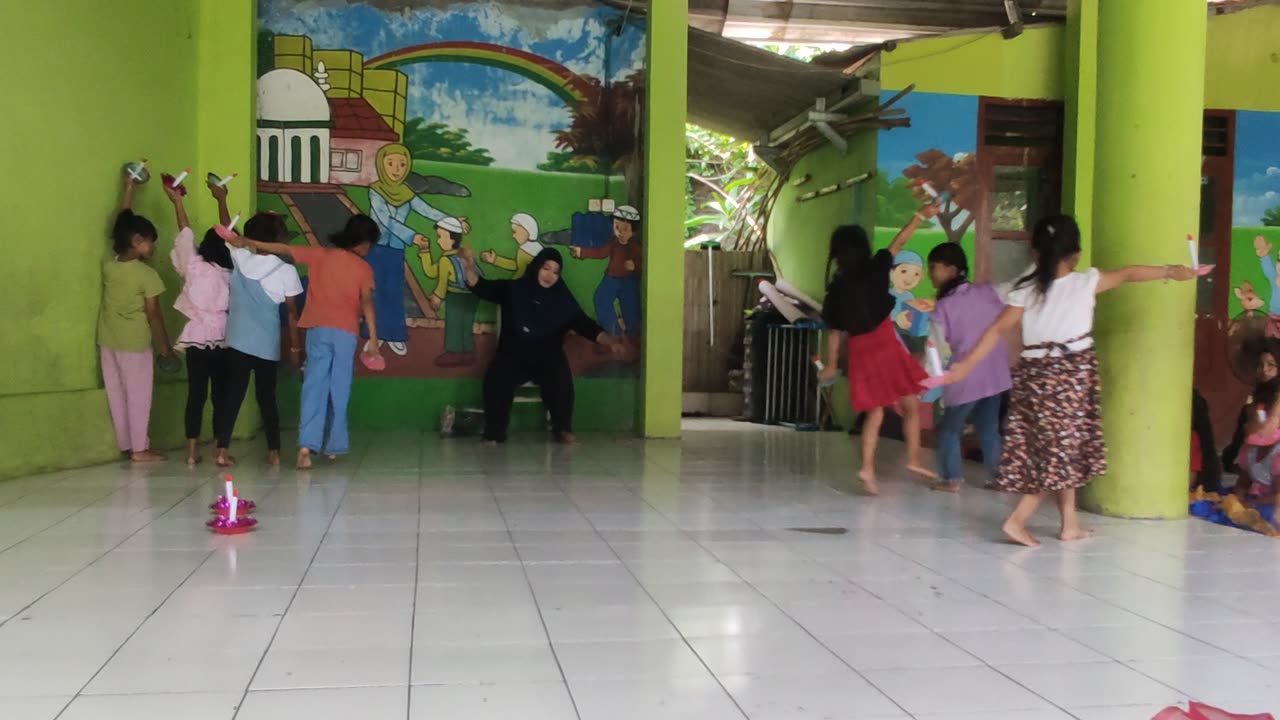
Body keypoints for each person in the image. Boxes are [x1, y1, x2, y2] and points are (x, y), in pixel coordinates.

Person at [939, 214, 1199, 547]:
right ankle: (1016, 521)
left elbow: (996, 330)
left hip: (1035, 376)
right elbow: (1129, 273)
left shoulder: (1026, 291)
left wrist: (965, 365)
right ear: (1075, 254)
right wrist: (1172, 271)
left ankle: (1069, 524)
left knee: (1061, 447)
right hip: (1070, 375)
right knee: (1060, 453)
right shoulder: (1084, 282)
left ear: (1035, 253)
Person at [223, 215, 381, 469]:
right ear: (363, 242)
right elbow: (367, 303)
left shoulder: (320, 255)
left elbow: (283, 249)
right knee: (339, 388)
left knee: (313, 386)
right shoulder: (363, 269)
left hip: (317, 331)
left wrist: (248, 242)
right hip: (345, 334)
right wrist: (373, 339)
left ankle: (306, 448)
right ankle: (333, 445)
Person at [817, 204, 940, 495]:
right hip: (885, 343)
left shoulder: (836, 289)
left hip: (861, 350)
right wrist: (920, 215)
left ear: (837, 254)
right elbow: (900, 241)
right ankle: (912, 459)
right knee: (910, 404)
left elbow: (834, 332)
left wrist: (831, 365)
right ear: (863, 247)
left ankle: (867, 468)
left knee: (875, 412)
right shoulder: (877, 266)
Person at [454, 246, 622, 444]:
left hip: (547, 358)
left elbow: (585, 325)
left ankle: (562, 429)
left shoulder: (562, 300)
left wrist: (611, 342)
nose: (550, 276)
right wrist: (469, 267)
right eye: (546, 268)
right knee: (497, 379)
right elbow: (481, 287)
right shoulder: (513, 289)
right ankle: (494, 432)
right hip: (512, 355)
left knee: (560, 380)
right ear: (536, 267)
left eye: (555, 272)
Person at [99, 172, 176, 463]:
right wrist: (165, 348)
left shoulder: (110, 265)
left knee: (116, 394)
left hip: (107, 339)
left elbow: (123, 221)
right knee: (139, 395)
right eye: (150, 242)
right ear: (137, 240)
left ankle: (126, 445)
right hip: (134, 343)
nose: (153, 248)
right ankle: (140, 449)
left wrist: (128, 186)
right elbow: (154, 315)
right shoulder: (147, 275)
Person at [926, 242, 1011, 493]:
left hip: (965, 375)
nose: (930, 274)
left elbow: (936, 348)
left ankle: (950, 478)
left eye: (934, 267)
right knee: (988, 427)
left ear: (951, 269)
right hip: (994, 373)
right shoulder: (988, 291)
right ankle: (999, 478)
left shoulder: (943, 307)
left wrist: (930, 378)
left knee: (949, 429)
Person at [221, 204, 303, 467]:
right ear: (279, 239)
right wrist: (295, 348)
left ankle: (221, 450)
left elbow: (227, 232)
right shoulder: (286, 271)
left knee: (233, 395)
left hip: (237, 340)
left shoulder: (240, 258)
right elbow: (292, 313)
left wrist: (221, 200)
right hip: (266, 344)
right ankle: (274, 451)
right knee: (266, 397)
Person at [164, 182, 234, 467]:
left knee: (196, 394)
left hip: (196, 335)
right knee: (220, 395)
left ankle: (192, 451)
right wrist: (222, 200)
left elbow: (185, 234)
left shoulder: (193, 267)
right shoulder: (230, 272)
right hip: (223, 336)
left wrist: (177, 203)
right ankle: (220, 450)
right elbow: (230, 235)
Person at [365, 143, 455, 357]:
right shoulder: (375, 190)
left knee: (394, 291)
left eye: (402, 164)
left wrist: (452, 221)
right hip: (376, 248)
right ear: (381, 165)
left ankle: (394, 334)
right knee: (375, 292)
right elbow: (385, 220)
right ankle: (375, 335)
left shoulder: (407, 193)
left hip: (396, 249)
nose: (396, 169)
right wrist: (412, 236)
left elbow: (426, 210)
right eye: (390, 163)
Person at [571, 205, 642, 342]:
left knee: (630, 307)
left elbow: (645, 262)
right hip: (611, 278)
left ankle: (633, 336)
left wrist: (635, 265)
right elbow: (600, 253)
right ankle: (614, 332)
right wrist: (582, 252)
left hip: (629, 281)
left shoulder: (635, 247)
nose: (620, 232)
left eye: (625, 229)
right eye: (617, 227)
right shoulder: (613, 243)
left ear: (633, 231)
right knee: (601, 299)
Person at [417, 217, 479, 367]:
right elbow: (434, 272)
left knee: (454, 324)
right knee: (466, 323)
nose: (438, 241)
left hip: (456, 296)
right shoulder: (463, 255)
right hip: (473, 295)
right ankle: (468, 352)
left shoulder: (446, 260)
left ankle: (453, 353)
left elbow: (441, 282)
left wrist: (437, 298)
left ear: (452, 239)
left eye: (440, 237)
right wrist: (425, 251)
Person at [481, 213, 544, 278]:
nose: (513, 236)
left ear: (527, 230)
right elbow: (517, 265)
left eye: (515, 231)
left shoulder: (529, 252)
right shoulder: (525, 249)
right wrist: (495, 260)